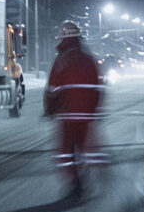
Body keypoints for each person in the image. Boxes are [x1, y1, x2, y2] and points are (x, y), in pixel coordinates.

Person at [44, 21, 103, 197]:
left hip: (67, 115)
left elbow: (53, 89)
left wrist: (50, 109)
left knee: (66, 152)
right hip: (85, 115)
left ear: (62, 38)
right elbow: (98, 87)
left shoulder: (61, 60)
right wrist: (94, 109)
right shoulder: (88, 58)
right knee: (84, 147)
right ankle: (84, 175)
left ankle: (75, 181)